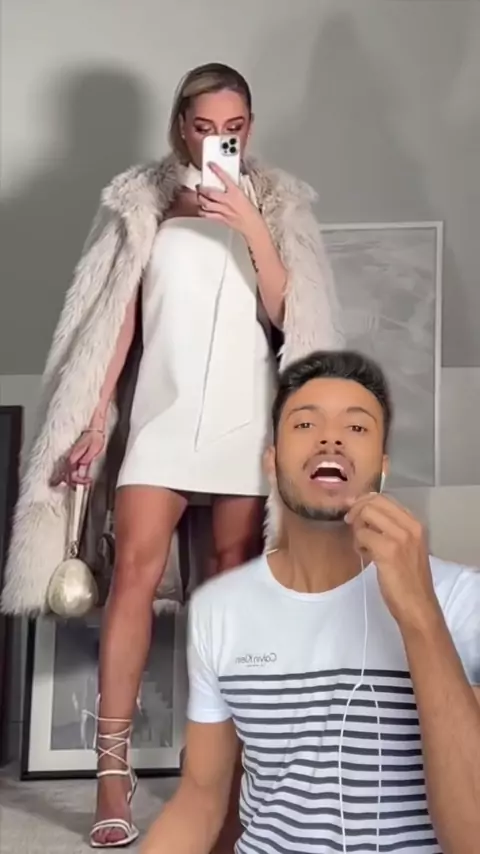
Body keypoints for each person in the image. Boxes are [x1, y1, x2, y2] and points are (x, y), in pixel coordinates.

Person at [1, 64, 343, 848]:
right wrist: (94, 419)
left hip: (243, 421)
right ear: (181, 125)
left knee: (227, 597)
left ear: (249, 127)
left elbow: (290, 316)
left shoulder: (278, 207)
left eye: (234, 127)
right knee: (132, 579)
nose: (220, 138)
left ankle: (216, 770)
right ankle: (111, 776)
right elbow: (113, 322)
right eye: (205, 125)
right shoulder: (141, 203)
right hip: (161, 415)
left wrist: (249, 225)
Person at [141, 350, 480, 854]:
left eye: (357, 428)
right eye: (305, 423)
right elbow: (200, 801)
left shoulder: (462, 599)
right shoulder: (219, 610)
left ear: (382, 468)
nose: (331, 439)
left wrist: (419, 615)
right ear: (271, 460)